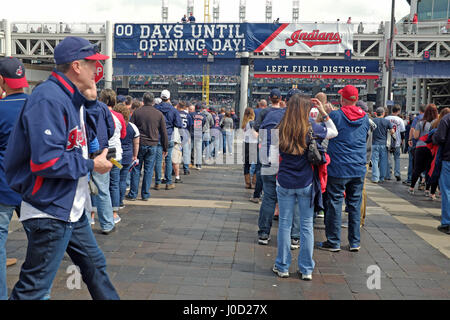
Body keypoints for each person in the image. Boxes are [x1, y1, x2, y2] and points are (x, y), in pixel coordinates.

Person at [4, 36, 119, 300]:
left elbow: (92, 137)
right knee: (33, 290)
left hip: (70, 207)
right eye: (93, 65)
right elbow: (46, 161)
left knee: (95, 267)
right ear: (77, 66)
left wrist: (90, 103)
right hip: (50, 207)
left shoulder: (71, 95)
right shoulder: (49, 98)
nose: (97, 71)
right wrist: (91, 164)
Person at [272, 94, 337, 280]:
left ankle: (282, 266)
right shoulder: (312, 128)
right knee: (306, 226)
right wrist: (324, 112)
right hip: (306, 182)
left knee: (284, 224)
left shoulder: (280, 127)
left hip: (284, 181)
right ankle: (306, 269)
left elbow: (272, 153)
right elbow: (334, 132)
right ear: (306, 109)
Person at [317, 85, 370, 252]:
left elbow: (321, 129)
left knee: (334, 203)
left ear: (342, 99)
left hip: (338, 166)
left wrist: (323, 113)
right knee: (354, 204)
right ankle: (354, 242)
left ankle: (333, 241)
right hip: (358, 166)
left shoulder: (336, 116)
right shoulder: (365, 118)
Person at [0, 57, 29, 300]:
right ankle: (34, 292)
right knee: (41, 245)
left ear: (1, 80)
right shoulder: (39, 107)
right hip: (34, 187)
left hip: (3, 186)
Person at [127, 92, 168, 200]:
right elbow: (164, 132)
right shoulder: (158, 114)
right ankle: (145, 194)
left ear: (143, 101)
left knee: (136, 169)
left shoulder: (137, 113)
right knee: (149, 170)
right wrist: (165, 147)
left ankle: (133, 193)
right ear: (153, 101)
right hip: (153, 144)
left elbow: (130, 129)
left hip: (139, 144)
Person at [99, 89, 126, 225]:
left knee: (98, 185)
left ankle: (92, 215)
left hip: (100, 153)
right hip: (115, 153)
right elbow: (123, 135)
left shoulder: (97, 113)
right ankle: (114, 213)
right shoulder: (119, 116)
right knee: (114, 184)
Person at [155, 90, 182, 190]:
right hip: (169, 137)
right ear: (169, 98)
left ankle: (157, 182)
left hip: (157, 137)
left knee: (158, 160)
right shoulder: (173, 110)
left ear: (161, 97)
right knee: (168, 159)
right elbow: (179, 124)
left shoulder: (156, 108)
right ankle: (168, 182)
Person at [114, 103, 139, 208]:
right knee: (123, 179)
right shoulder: (132, 127)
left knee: (114, 180)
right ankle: (120, 201)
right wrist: (135, 155)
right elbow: (136, 143)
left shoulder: (114, 124)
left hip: (115, 157)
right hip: (127, 157)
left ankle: (114, 202)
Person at [409, 104, 438, 195]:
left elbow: (416, 136)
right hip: (431, 148)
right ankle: (427, 189)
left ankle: (412, 187)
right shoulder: (436, 123)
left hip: (420, 147)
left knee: (417, 168)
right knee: (429, 169)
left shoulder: (421, 122)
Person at [433, 110, 450, 234]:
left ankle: (447, 223)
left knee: (447, 191)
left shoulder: (446, 119)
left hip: (448, 159)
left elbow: (439, 138)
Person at [370, 107, 394, 183]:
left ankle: (375, 178)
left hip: (374, 143)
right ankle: (381, 177)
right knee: (383, 161)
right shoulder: (387, 122)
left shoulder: (372, 121)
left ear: (376, 113)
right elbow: (392, 131)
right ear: (383, 113)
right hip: (384, 144)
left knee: (375, 161)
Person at [385, 105, 406, 182]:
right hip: (397, 141)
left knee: (388, 158)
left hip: (388, 141)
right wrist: (402, 141)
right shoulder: (400, 120)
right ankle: (397, 173)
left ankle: (388, 174)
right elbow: (402, 132)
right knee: (397, 158)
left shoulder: (386, 118)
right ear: (399, 111)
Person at [242, 107, 257, 189]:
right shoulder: (252, 123)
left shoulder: (244, 123)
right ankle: (254, 182)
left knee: (247, 165)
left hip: (246, 144)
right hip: (253, 144)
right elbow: (255, 135)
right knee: (256, 164)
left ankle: (247, 183)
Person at [178, 101, 193, 175]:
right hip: (185, 134)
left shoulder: (176, 113)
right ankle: (186, 169)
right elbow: (190, 126)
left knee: (176, 153)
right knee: (186, 153)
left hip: (177, 135)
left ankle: (175, 169)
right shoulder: (188, 115)